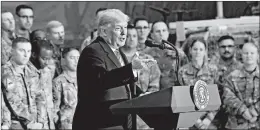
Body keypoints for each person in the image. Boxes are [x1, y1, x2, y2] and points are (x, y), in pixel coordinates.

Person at [73, 9, 142, 130]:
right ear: (104, 31)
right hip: (99, 123)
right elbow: (100, 80)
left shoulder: (118, 52)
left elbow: (124, 87)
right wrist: (131, 69)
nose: (124, 33)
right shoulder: (93, 51)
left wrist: (144, 95)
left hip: (119, 123)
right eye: (118, 28)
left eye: (125, 28)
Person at [121, 24, 161, 129]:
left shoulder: (147, 59)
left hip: (143, 114)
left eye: (134, 36)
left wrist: (147, 96)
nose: (131, 39)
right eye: (128, 36)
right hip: (120, 112)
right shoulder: (115, 59)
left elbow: (155, 85)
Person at [1, 37, 45, 129]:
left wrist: (41, 121)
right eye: (22, 50)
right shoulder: (5, 72)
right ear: (12, 51)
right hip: (16, 124)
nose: (26, 55)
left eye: (29, 51)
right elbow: (12, 99)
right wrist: (29, 122)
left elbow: (40, 97)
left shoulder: (33, 71)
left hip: (35, 124)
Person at [178, 38, 219, 129]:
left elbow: (218, 96)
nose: (198, 52)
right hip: (189, 119)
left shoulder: (213, 70)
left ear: (205, 51)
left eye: (201, 49)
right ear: (190, 51)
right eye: (195, 49)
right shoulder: (182, 72)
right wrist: (196, 121)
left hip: (210, 119)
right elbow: (181, 98)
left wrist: (208, 119)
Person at [222, 42, 260, 129]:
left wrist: (255, 110)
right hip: (238, 124)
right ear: (241, 55)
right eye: (246, 53)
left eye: (252, 53)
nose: (248, 55)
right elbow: (227, 97)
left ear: (257, 55)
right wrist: (243, 110)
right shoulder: (231, 76)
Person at [142, 21, 189, 89]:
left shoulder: (178, 53)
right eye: (158, 31)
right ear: (151, 34)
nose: (161, 34)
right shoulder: (146, 54)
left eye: (164, 30)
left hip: (173, 91)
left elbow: (186, 73)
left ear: (168, 33)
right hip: (152, 92)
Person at [53, 48, 80, 129]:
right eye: (72, 58)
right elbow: (55, 108)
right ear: (64, 60)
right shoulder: (58, 81)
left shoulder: (84, 79)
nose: (76, 61)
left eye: (78, 57)